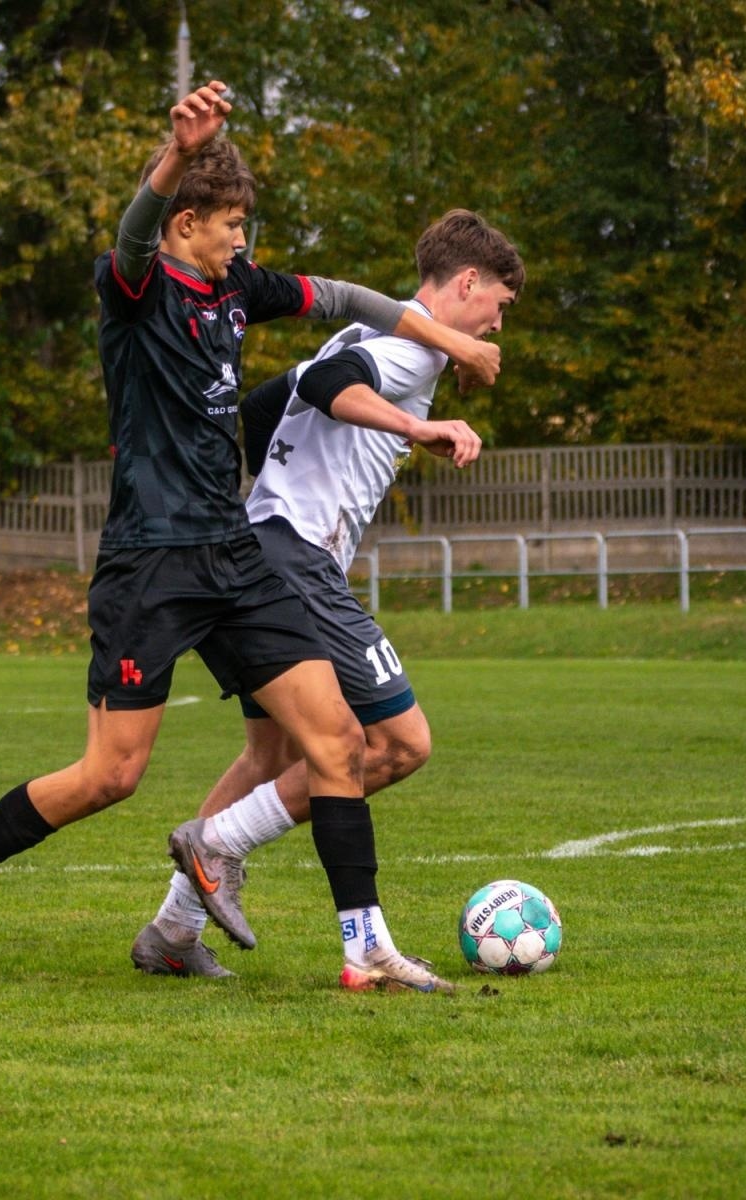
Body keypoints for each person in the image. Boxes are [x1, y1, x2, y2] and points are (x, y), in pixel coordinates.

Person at [0, 80, 500, 993]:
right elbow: (133, 231)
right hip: (151, 564)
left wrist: (445, 337)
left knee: (336, 743)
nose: (243, 240)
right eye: (230, 224)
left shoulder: (234, 288)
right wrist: (173, 155)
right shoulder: (134, 287)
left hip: (234, 557)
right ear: (184, 225)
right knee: (109, 775)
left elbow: (342, 297)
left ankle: (364, 945)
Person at [131, 210, 523, 980]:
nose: (497, 324)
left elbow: (262, 408)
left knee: (268, 753)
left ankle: (172, 933)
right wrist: (423, 429)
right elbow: (326, 384)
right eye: (500, 305)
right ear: (468, 283)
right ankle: (221, 845)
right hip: (294, 559)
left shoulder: (365, 338)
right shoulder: (408, 352)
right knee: (401, 744)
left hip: (261, 546)